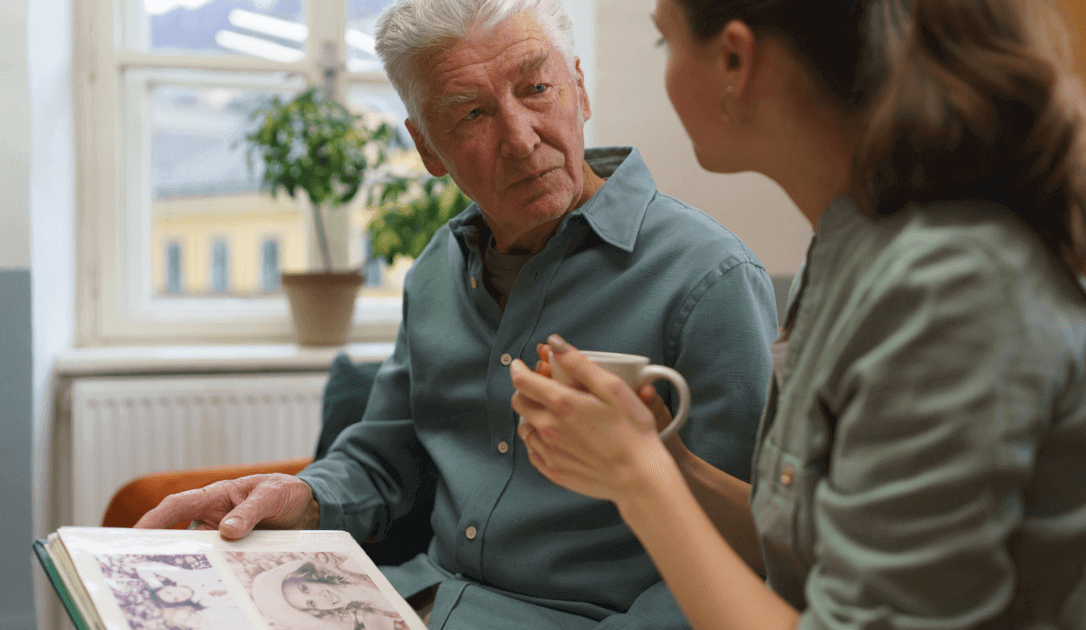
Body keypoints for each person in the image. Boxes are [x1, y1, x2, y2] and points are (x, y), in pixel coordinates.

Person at [510, 1, 1086, 629]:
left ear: (735, 59)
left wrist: (638, 480)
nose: (667, 71)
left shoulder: (951, 287)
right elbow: (810, 542)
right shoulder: (853, 247)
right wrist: (664, 458)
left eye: (666, 42)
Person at [134, 0, 779, 628]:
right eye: (472, 113)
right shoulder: (437, 268)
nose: (522, 140)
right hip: (403, 603)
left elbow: (748, 555)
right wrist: (303, 497)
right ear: (426, 147)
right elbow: (389, 459)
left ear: (579, 89)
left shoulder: (708, 279)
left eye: (536, 88)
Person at [251, 559, 404, 630]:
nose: (320, 598)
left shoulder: (354, 566)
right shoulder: (371, 622)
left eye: (305, 588)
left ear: (310, 577)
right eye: (311, 603)